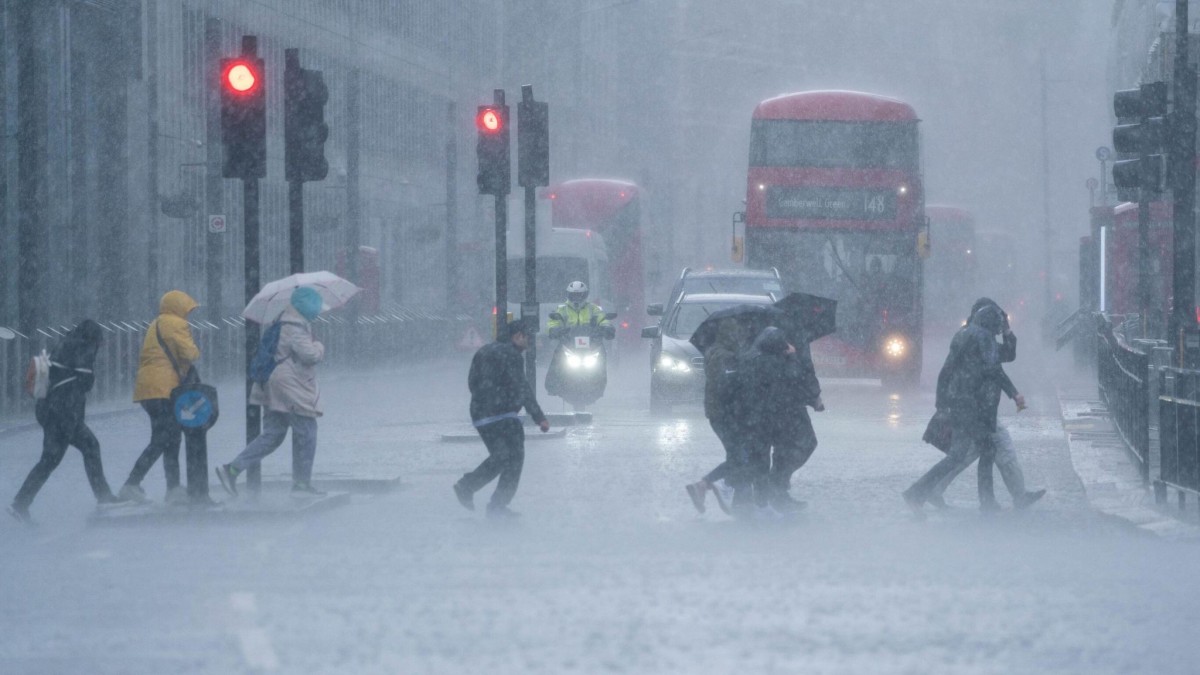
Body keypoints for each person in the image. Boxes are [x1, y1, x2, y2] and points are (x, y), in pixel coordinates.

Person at [903, 304, 1038, 515]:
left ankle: (920, 493)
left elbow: (946, 370)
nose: (997, 332)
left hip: (957, 403)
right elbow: (994, 368)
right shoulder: (984, 337)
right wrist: (1014, 394)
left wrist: (941, 403)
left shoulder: (963, 334)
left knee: (961, 454)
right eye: (997, 327)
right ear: (992, 324)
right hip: (972, 406)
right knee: (984, 449)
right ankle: (983, 502)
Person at [9, 320, 125, 524]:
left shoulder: (64, 344)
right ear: (94, 338)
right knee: (87, 447)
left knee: (51, 459)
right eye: (99, 342)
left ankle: (21, 502)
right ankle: (103, 497)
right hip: (65, 413)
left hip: (50, 410)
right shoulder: (83, 346)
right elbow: (86, 381)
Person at [216, 287, 327, 497]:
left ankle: (232, 469)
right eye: (316, 305)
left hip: (274, 384)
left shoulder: (283, 321)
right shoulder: (295, 326)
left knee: (273, 434)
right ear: (307, 306)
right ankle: (301, 485)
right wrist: (319, 345)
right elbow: (310, 355)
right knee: (307, 431)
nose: (318, 309)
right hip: (290, 385)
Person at [118, 290, 213, 506]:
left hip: (149, 388)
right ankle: (132, 484)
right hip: (164, 388)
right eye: (187, 310)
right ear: (179, 307)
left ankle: (173, 488)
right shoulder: (176, 324)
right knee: (163, 439)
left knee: (170, 438)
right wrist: (195, 347)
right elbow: (191, 353)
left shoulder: (157, 323)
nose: (188, 316)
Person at [454, 319, 550, 518]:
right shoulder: (512, 355)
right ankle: (495, 504)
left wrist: (482, 400)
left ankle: (468, 486)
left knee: (500, 457)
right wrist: (539, 416)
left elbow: (472, 382)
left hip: (481, 414)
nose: (530, 343)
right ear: (517, 336)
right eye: (528, 338)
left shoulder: (483, 351)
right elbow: (522, 388)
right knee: (514, 459)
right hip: (504, 415)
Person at [739, 327, 824, 515]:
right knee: (797, 446)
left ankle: (764, 499)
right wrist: (814, 397)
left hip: (758, 418)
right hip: (784, 416)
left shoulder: (752, 359)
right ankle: (775, 488)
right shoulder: (785, 362)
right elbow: (799, 377)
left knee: (761, 456)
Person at [685, 318, 748, 514]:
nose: (741, 338)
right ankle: (712, 484)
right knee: (740, 456)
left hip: (718, 412)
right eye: (738, 334)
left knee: (736, 454)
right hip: (725, 413)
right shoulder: (724, 356)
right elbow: (727, 384)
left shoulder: (715, 352)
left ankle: (709, 487)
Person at [545, 280, 614, 339]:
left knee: (602, 353)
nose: (576, 298)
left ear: (585, 295)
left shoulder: (593, 308)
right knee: (557, 353)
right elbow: (553, 322)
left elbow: (602, 318)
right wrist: (554, 330)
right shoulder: (562, 309)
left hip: (592, 342)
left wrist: (607, 327)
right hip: (567, 342)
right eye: (573, 295)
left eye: (579, 295)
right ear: (568, 295)